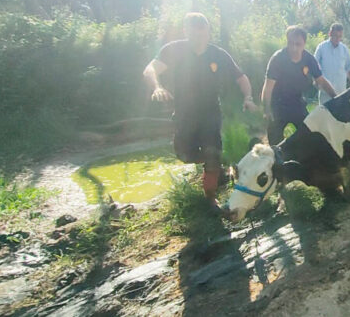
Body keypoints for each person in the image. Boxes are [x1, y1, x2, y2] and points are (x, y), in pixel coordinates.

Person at [142, 12, 258, 214]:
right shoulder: (174, 50)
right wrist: (157, 87)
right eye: (194, 33)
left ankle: (211, 199)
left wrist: (248, 98)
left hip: (211, 114)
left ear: (208, 33)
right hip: (185, 114)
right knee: (184, 154)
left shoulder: (218, 54)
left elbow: (241, 78)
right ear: (187, 32)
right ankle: (218, 165)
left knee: (212, 154)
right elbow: (150, 69)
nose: (199, 37)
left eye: (203, 33)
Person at [261, 25, 338, 144]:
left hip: (297, 102)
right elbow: (268, 87)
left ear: (304, 44)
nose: (294, 48)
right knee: (275, 143)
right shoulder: (277, 59)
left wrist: (336, 97)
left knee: (309, 135)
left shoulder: (309, 59)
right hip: (277, 104)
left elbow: (321, 81)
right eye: (291, 43)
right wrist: (266, 110)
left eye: (298, 44)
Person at [314, 23, 350, 104]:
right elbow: (314, 66)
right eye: (335, 35)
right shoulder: (321, 47)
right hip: (325, 93)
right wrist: (315, 81)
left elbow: (349, 69)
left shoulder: (344, 49)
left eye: (340, 36)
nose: (337, 39)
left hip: (341, 92)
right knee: (324, 115)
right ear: (330, 34)